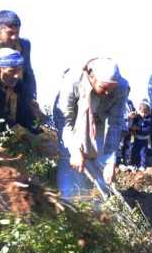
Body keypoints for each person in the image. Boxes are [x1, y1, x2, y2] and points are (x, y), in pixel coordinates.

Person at [53, 57, 129, 200]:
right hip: (71, 117)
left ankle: (91, 199)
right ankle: (67, 198)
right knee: (69, 157)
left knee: (96, 159)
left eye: (111, 89)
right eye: (104, 88)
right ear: (92, 77)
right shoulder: (73, 80)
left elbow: (115, 125)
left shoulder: (121, 87)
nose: (108, 93)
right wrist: (74, 150)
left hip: (97, 121)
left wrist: (110, 161)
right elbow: (65, 121)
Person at [129, 99, 152, 171]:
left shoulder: (149, 119)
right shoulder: (137, 117)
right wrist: (133, 128)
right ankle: (134, 164)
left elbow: (147, 130)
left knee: (143, 153)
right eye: (142, 112)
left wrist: (139, 129)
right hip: (136, 138)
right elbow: (132, 125)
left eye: (146, 113)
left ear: (148, 112)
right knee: (135, 151)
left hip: (144, 139)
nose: (144, 114)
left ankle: (142, 165)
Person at [118, 90, 136, 169]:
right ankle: (118, 162)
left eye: (128, 91)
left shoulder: (130, 102)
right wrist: (127, 116)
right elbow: (117, 115)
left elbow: (133, 110)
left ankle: (126, 162)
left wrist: (134, 114)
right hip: (121, 127)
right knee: (119, 145)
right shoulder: (118, 102)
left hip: (129, 128)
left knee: (127, 145)